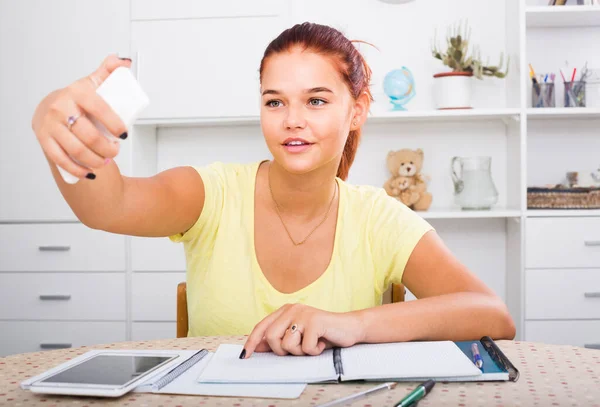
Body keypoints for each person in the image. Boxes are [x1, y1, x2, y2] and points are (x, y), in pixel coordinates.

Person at [31, 22, 515, 360]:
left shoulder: (377, 218)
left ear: (357, 110)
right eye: (275, 101)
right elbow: (109, 207)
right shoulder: (212, 194)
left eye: (317, 100)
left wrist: (357, 324)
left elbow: (493, 316)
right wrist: (62, 125)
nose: (293, 120)